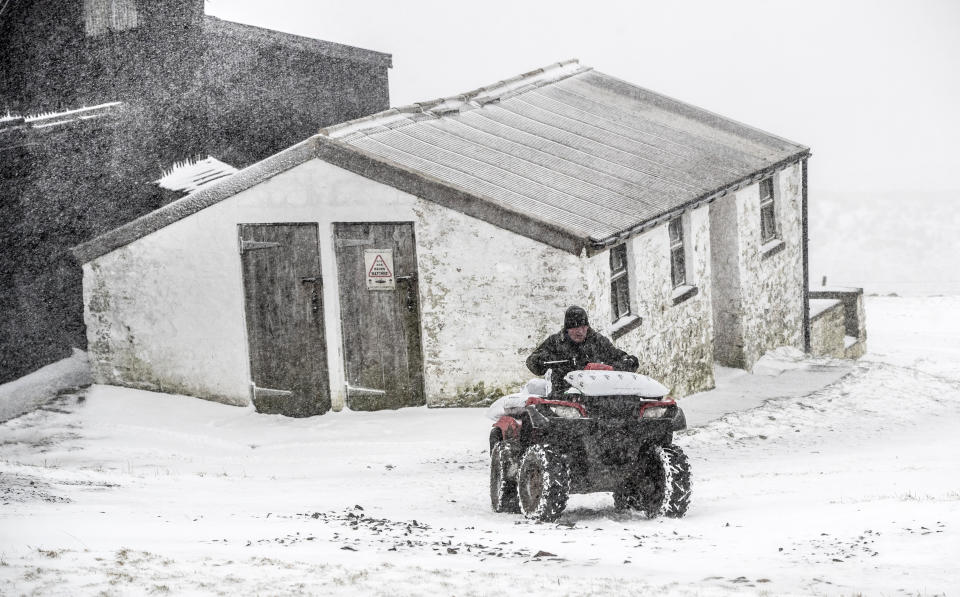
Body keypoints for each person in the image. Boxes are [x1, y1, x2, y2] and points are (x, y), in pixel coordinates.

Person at [526, 305, 640, 394]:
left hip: (598, 394)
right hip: (564, 394)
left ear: (587, 327)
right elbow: (531, 362)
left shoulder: (598, 341)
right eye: (575, 327)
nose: (579, 331)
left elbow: (618, 357)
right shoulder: (555, 342)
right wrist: (543, 361)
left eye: (583, 326)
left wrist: (626, 362)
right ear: (567, 329)